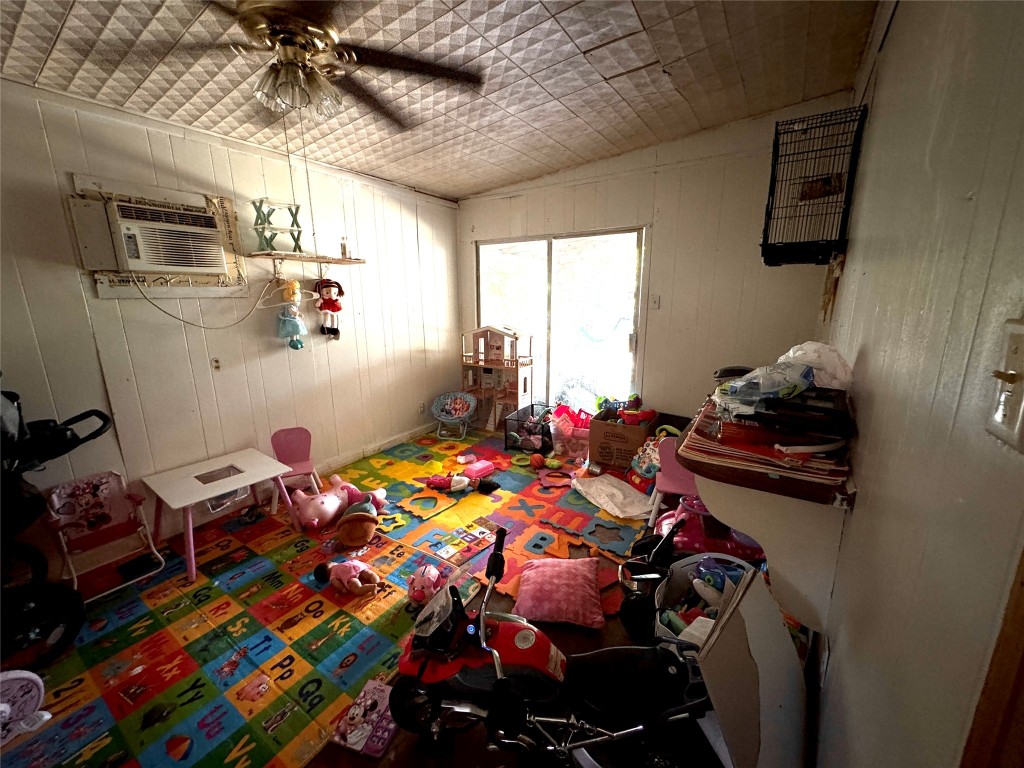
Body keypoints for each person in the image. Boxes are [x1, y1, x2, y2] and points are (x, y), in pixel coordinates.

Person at [278, 279, 308, 350]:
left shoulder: (295, 306)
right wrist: (296, 313)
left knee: (297, 330)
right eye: (297, 300)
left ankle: (297, 339)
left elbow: (296, 311)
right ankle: (293, 340)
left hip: (295, 320)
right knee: (293, 331)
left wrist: (299, 314)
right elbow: (292, 311)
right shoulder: (290, 306)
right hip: (291, 321)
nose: (298, 301)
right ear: (290, 298)